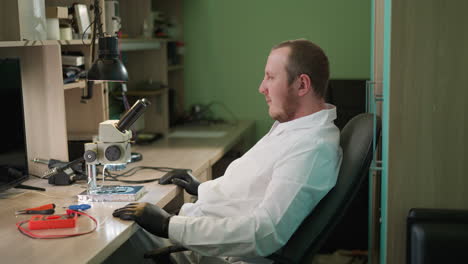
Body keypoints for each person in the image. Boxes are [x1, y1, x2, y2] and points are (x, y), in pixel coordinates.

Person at [112, 39, 343, 263]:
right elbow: (252, 190)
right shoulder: (296, 127)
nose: (262, 87)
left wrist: (167, 225)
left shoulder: (312, 148)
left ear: (302, 85)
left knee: (108, 242)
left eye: (270, 77)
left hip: (215, 253)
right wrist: (202, 188)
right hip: (199, 233)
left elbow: (264, 233)